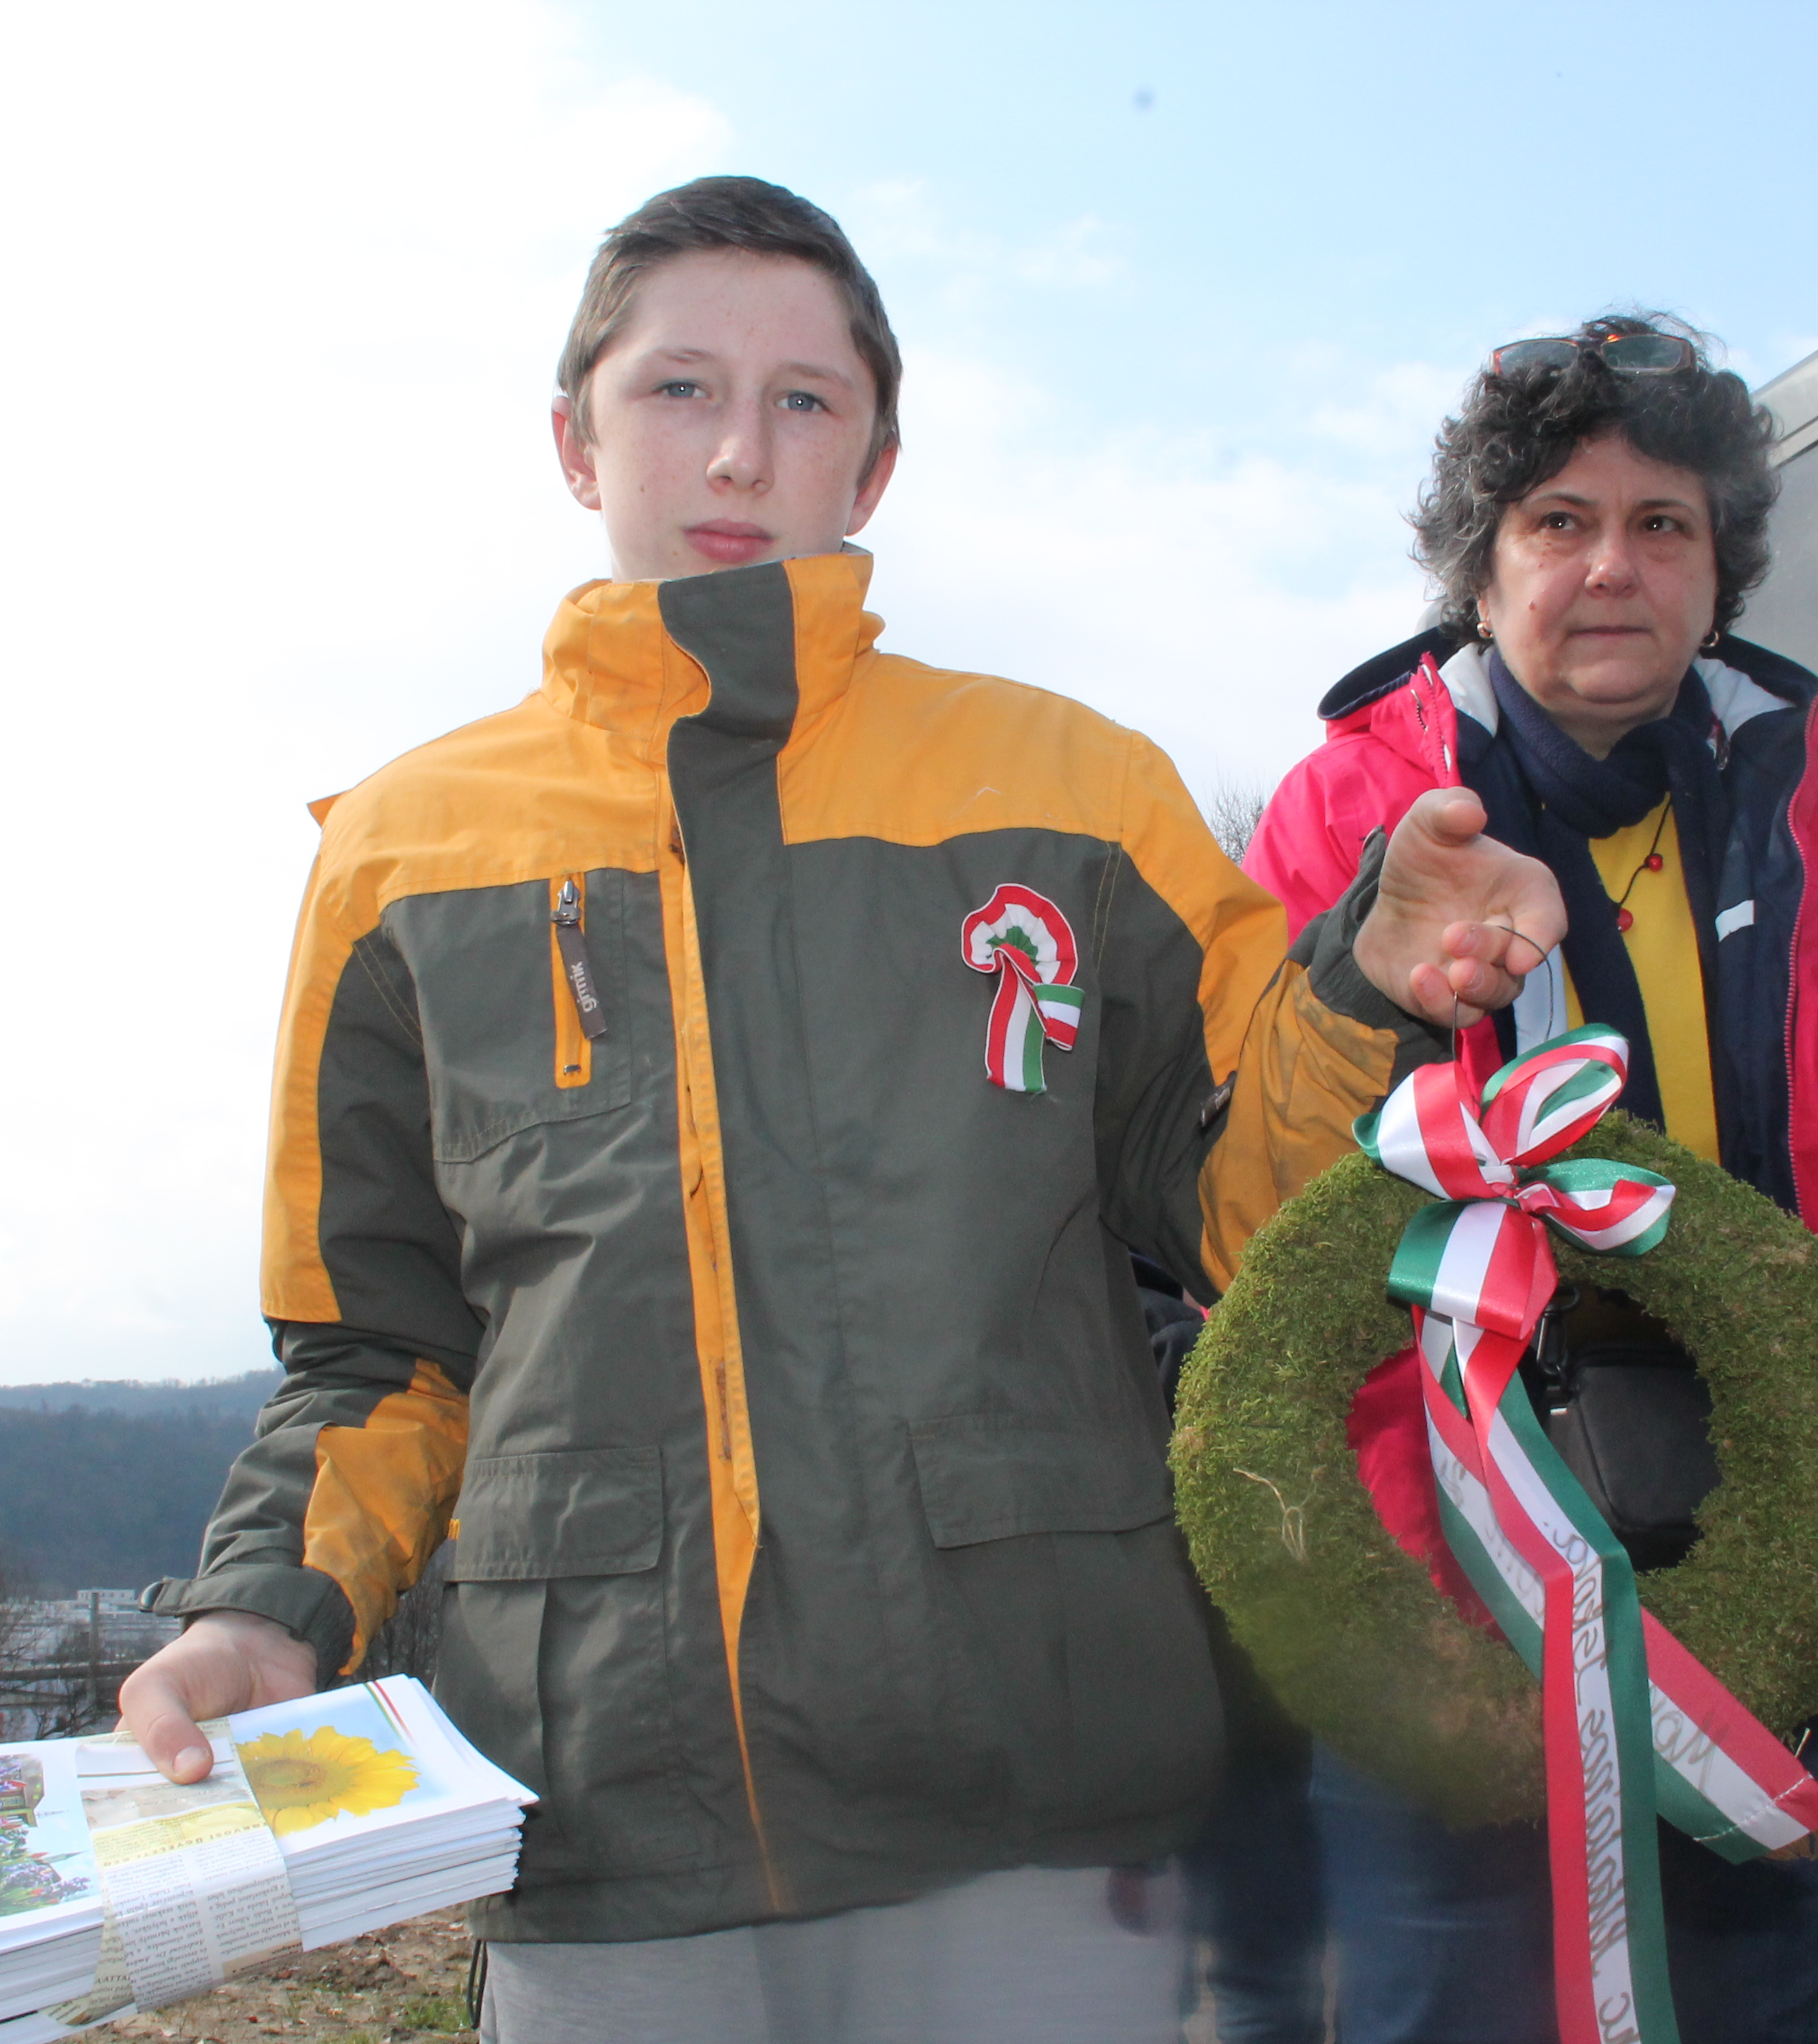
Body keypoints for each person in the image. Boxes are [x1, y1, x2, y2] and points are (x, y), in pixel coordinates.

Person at [111, 177, 1563, 2044]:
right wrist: (263, 1610)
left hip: (1040, 1809)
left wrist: (1362, 985)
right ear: (573, 439)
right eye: (679, 387)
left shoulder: (1077, 789)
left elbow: (1241, 1216)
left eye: (805, 400)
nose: (740, 448)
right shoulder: (400, 855)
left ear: (874, 466)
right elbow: (376, 1351)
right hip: (607, 1828)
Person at [1242, 315, 1818, 2044]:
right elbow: (1276, 1215)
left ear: (1720, 564)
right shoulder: (1339, 814)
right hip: (1453, 1614)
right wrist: (1434, 1568)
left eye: (1662, 522)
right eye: (1559, 519)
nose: (1612, 565)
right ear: (1480, 569)